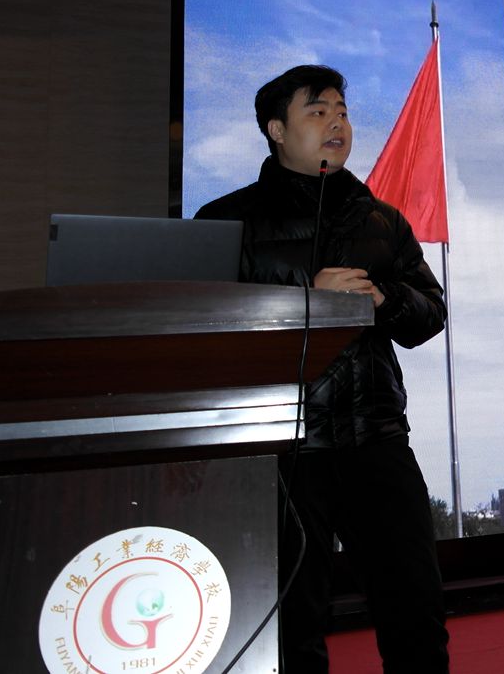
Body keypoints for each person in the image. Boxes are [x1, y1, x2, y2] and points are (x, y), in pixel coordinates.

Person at [196, 64, 450, 673]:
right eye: (317, 111)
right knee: (290, 627)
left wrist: (383, 298)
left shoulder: (382, 220)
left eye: (342, 111)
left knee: (415, 612)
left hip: (376, 441)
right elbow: (207, 332)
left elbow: (429, 315)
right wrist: (306, 299)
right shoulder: (224, 222)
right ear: (276, 129)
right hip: (281, 452)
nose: (336, 122)